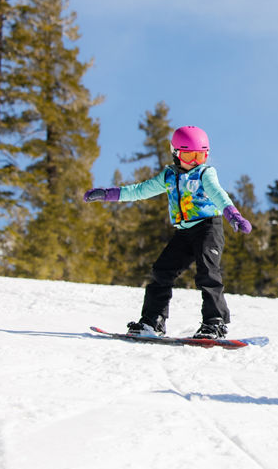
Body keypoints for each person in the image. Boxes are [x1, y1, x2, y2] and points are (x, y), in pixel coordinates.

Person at [83, 125, 253, 339]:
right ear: (176, 153)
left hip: (208, 228)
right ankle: (153, 321)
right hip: (184, 232)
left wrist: (233, 215)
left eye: (201, 155)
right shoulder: (168, 176)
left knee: (208, 273)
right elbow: (140, 190)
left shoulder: (205, 174)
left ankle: (215, 322)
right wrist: (108, 194)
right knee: (161, 271)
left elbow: (218, 194)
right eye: (189, 155)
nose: (195, 161)